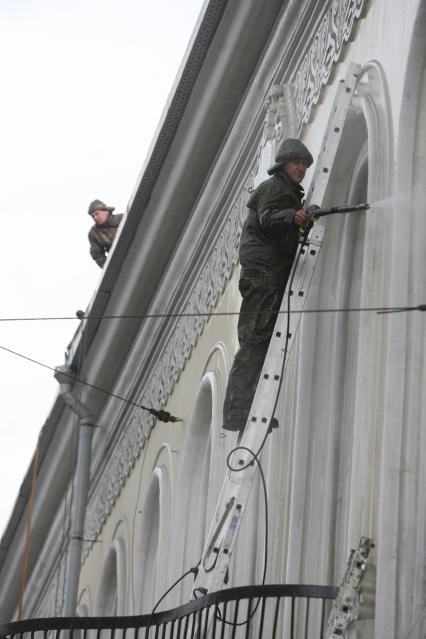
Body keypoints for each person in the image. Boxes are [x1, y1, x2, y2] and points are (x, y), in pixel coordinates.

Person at [222, 138, 313, 432]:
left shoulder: (287, 192)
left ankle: (250, 406)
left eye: (304, 164)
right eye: (296, 162)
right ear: (283, 164)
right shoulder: (274, 188)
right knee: (255, 340)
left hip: (269, 271)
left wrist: (301, 220)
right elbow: (268, 217)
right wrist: (293, 216)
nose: (301, 168)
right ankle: (239, 410)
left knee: (262, 340)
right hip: (262, 273)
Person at [87, 199, 123, 267]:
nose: (95, 218)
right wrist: (110, 266)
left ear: (105, 211)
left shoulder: (123, 218)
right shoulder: (94, 233)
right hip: (120, 259)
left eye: (97, 214)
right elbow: (97, 255)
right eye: (93, 216)